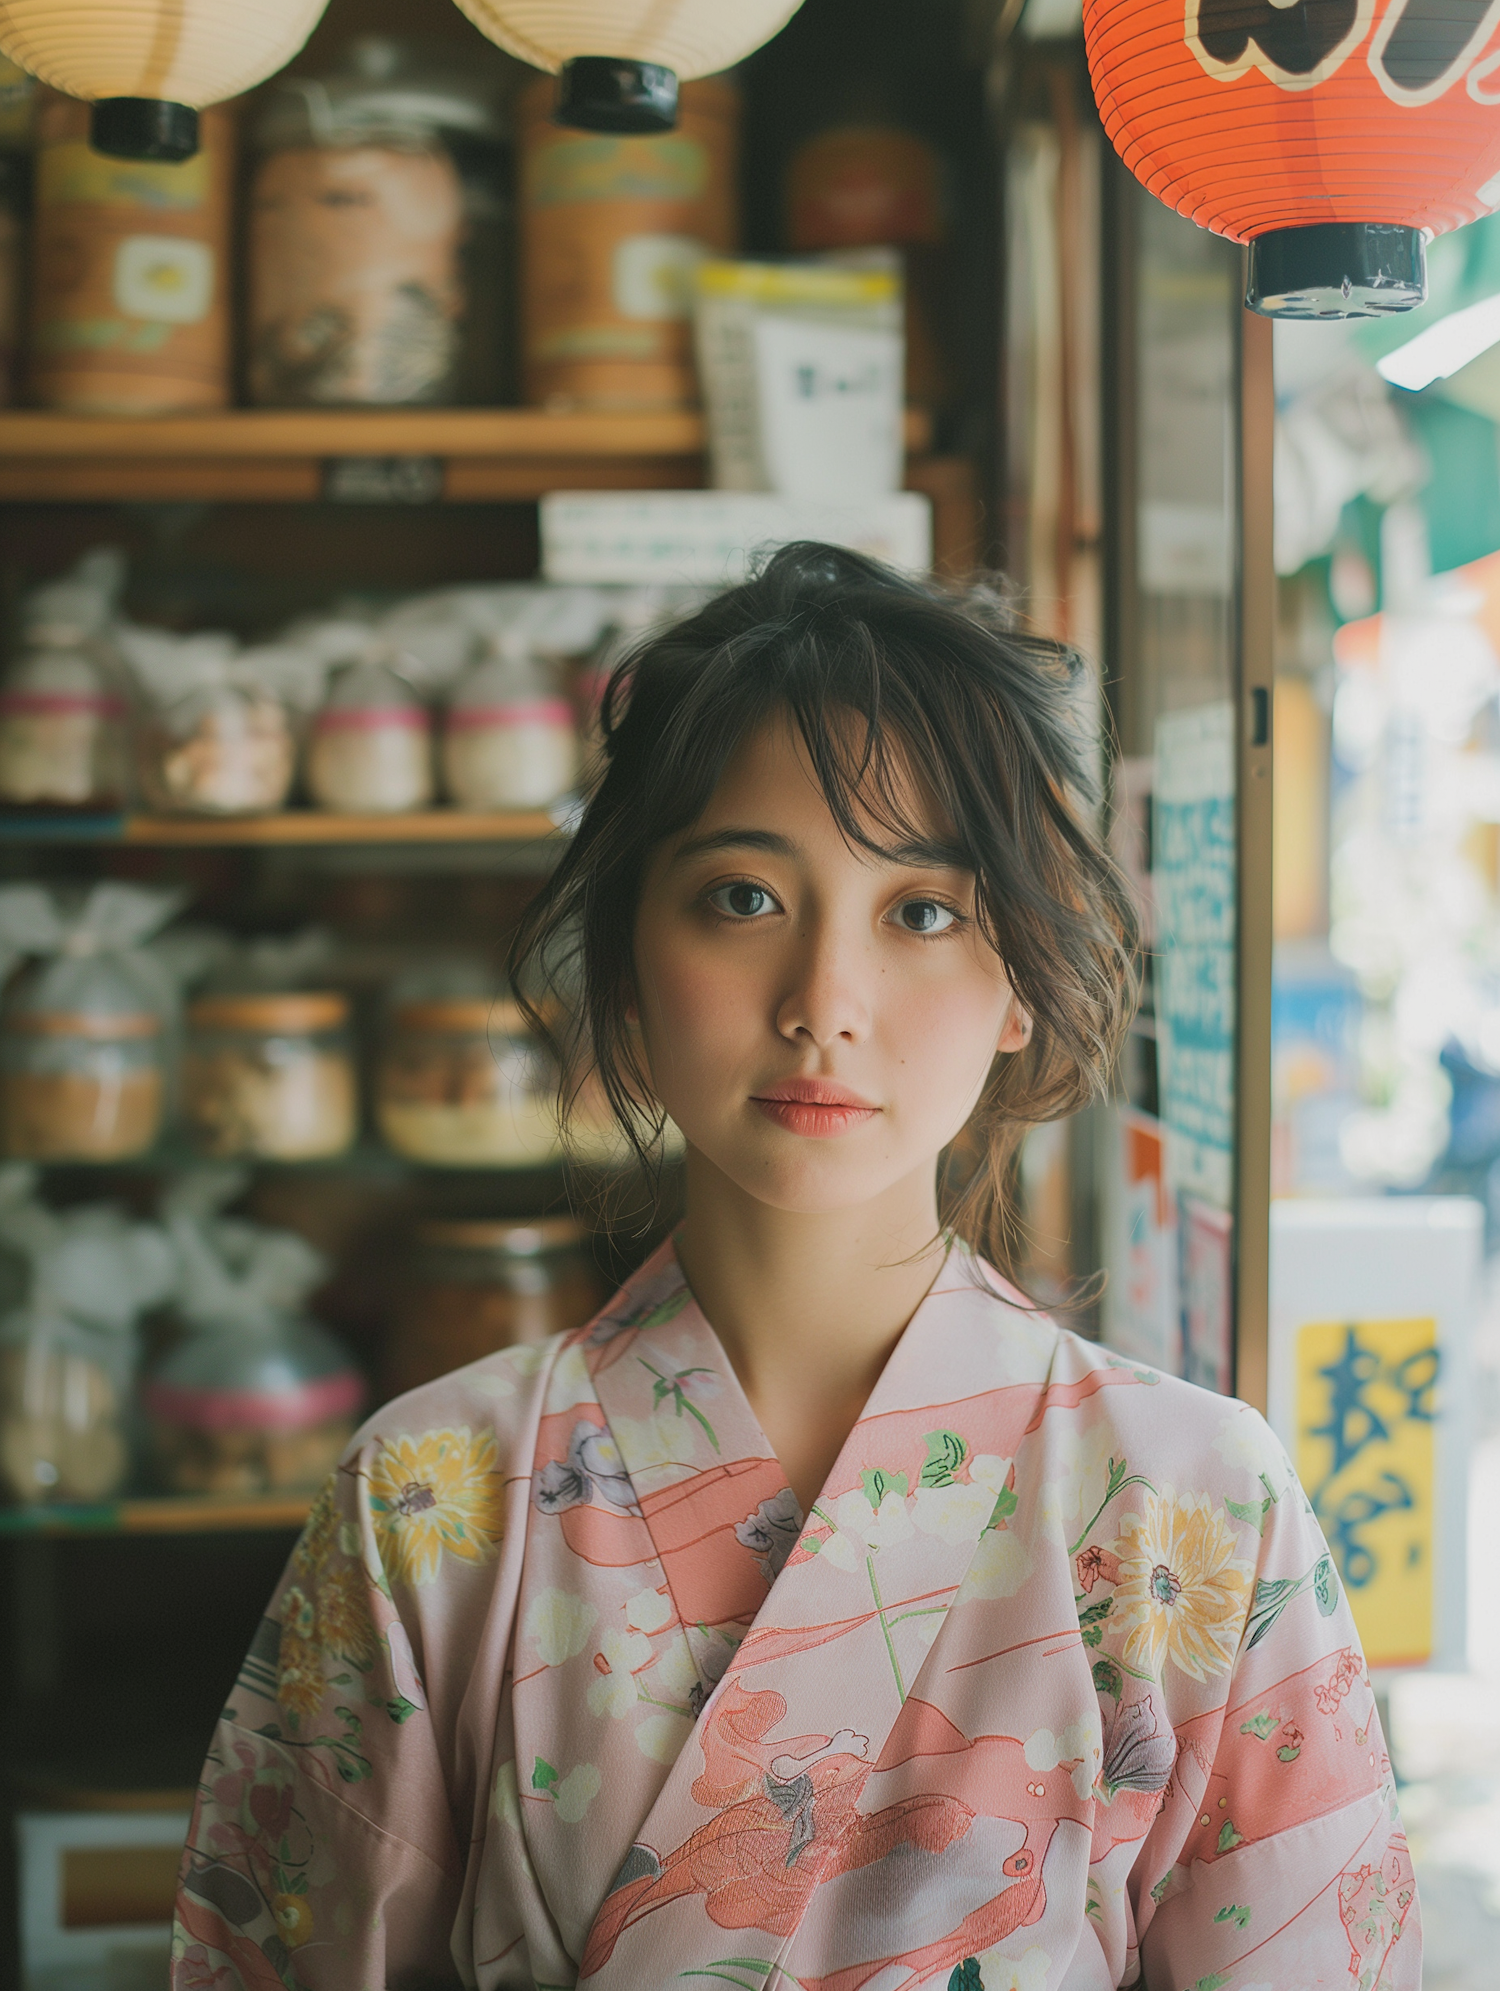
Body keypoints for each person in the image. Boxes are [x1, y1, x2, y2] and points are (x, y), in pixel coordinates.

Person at [171, 545, 1417, 1990]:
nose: (825, 1002)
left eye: (925, 912)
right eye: (744, 898)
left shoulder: (1194, 1510)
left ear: (1022, 983)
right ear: (626, 965)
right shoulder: (433, 1498)